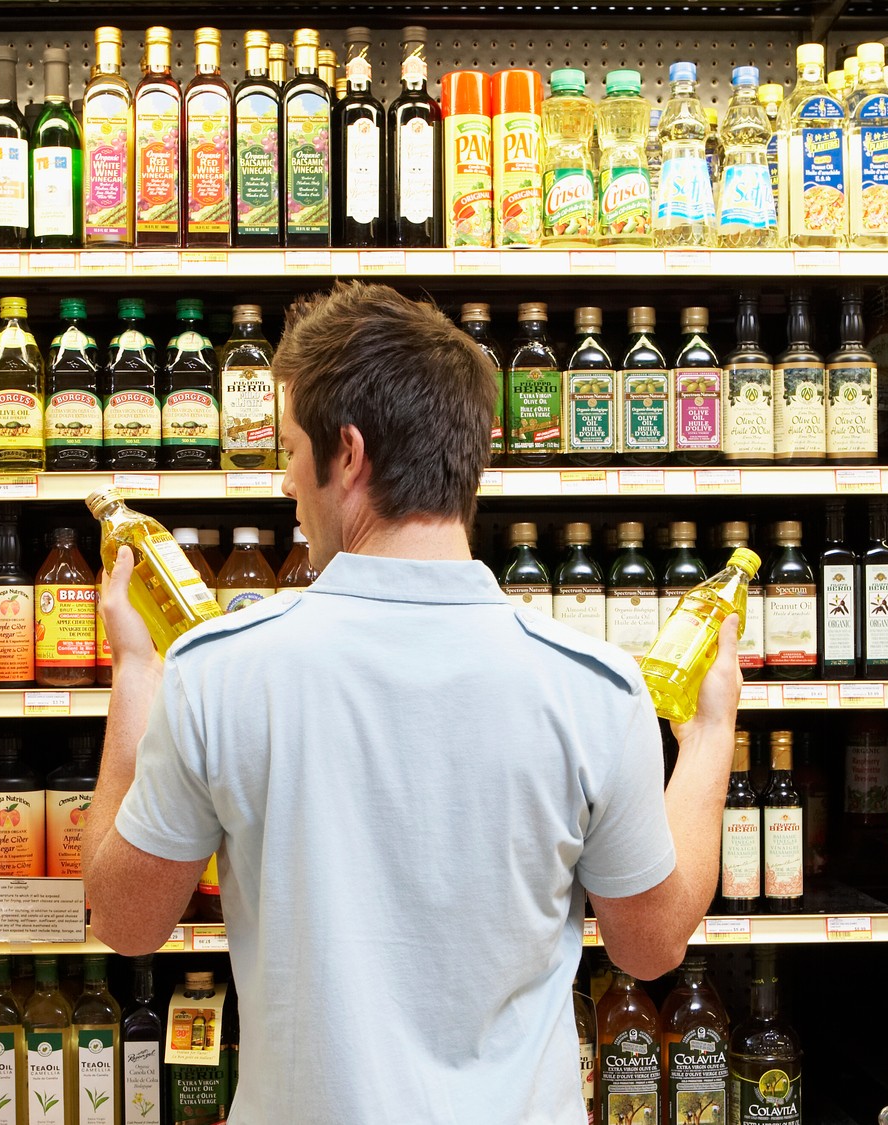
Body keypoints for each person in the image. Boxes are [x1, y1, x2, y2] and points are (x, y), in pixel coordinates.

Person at [81, 282, 740, 1123]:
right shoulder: (593, 687)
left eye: (291, 450)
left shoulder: (219, 671)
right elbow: (651, 946)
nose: (288, 481)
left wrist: (137, 674)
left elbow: (125, 919)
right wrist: (712, 732)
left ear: (347, 455)